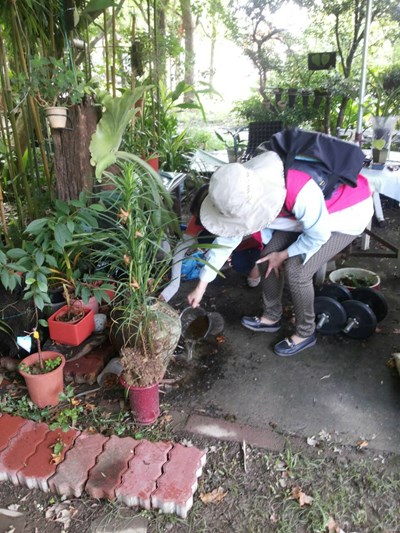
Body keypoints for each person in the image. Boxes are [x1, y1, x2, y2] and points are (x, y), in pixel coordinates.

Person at [187, 150, 373, 356]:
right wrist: (201, 286)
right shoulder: (240, 190)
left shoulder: (297, 189)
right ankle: (271, 316)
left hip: (343, 215)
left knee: (297, 272)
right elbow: (227, 240)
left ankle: (305, 332)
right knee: (267, 257)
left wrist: (284, 255)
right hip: (304, 220)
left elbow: (318, 234)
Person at [159, 184, 263, 302]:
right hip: (224, 236)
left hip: (247, 244)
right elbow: (183, 244)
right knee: (204, 239)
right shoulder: (203, 210)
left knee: (241, 263)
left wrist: (201, 287)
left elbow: (222, 249)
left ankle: (254, 266)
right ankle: (221, 257)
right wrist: (173, 286)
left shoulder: (240, 220)